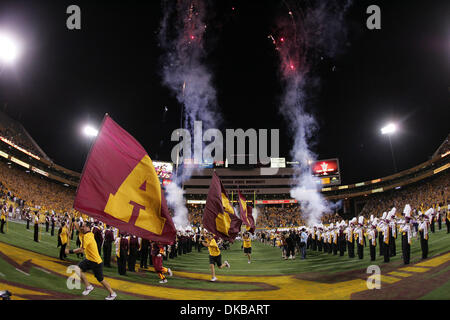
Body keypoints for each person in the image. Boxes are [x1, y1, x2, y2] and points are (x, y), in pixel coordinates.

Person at [66, 221, 117, 300]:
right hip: (89, 259)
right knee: (77, 269)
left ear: (88, 227)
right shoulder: (87, 233)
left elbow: (82, 250)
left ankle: (112, 293)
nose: (82, 227)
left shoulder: (87, 236)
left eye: (83, 226)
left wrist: (70, 251)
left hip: (96, 262)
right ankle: (88, 286)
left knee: (101, 279)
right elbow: (79, 230)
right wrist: (74, 221)